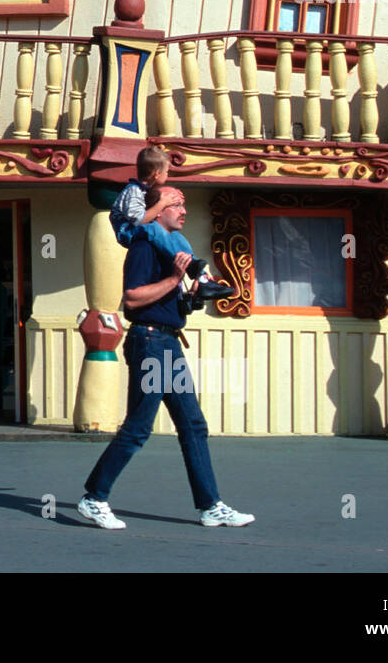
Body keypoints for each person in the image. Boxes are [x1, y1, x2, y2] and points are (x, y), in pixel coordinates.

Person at [78, 193, 255, 530]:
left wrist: (185, 298)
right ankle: (94, 497)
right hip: (150, 342)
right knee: (138, 428)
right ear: (158, 213)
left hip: (167, 343)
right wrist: (174, 280)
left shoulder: (168, 250)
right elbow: (131, 299)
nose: (184, 211)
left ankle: (210, 506)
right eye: (177, 205)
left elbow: (165, 302)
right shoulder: (144, 246)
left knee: (193, 426)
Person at [111, 147, 232, 302]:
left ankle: (197, 270)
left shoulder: (144, 190)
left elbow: (151, 203)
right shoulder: (133, 191)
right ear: (156, 174)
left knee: (175, 236)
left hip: (141, 228)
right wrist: (163, 202)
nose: (168, 175)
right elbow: (138, 220)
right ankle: (190, 267)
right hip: (127, 230)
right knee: (155, 229)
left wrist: (172, 197)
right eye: (167, 172)